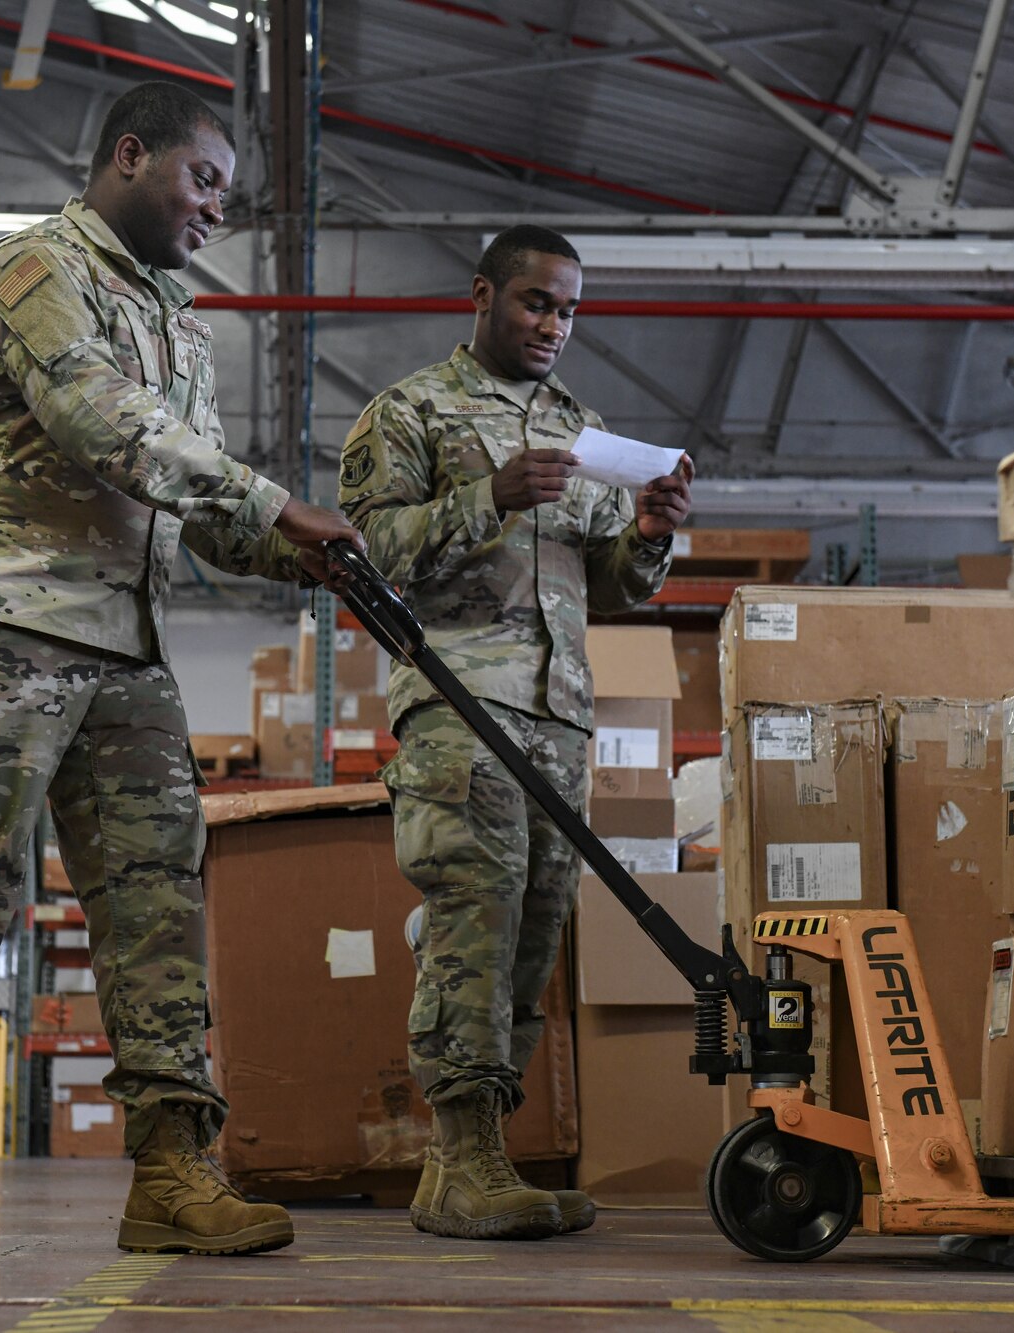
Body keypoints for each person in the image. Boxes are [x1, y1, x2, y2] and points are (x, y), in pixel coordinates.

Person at [0, 81, 359, 1260]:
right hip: (0, 616)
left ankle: (172, 1170)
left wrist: (302, 550)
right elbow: (98, 421)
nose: (216, 210)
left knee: (154, 904)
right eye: (204, 181)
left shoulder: (183, 326)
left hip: (126, 642)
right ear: (130, 156)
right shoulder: (34, 269)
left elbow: (198, 500)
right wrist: (273, 502)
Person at [339, 226, 692, 1240]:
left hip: (555, 715)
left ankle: (468, 1159)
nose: (553, 325)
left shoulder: (580, 432)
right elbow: (365, 558)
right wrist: (482, 496)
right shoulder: (408, 412)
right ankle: (461, 1160)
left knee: (532, 941)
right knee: (473, 926)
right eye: (536, 302)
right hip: (461, 705)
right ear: (485, 294)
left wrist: (649, 535)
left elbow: (608, 587)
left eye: (569, 310)